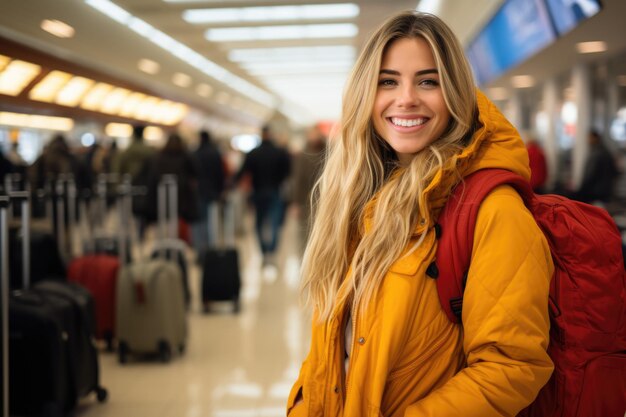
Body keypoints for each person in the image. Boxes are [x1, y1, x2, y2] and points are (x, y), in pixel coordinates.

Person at [287, 11, 554, 417]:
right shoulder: (360, 199)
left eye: (428, 81)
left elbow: (511, 366)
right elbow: (332, 348)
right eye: (387, 81)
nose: (406, 97)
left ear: (455, 93)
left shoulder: (492, 210)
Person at [235, 125, 291, 264]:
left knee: (259, 223)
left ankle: (263, 250)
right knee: (274, 222)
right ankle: (272, 250)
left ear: (261, 134)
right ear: (270, 134)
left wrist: (233, 182)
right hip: (275, 191)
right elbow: (288, 171)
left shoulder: (253, 153)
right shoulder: (279, 152)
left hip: (258, 191)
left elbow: (243, 171)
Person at [291, 126, 327, 249]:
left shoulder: (328, 152)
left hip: (324, 199)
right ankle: (306, 259)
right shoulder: (303, 155)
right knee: (305, 231)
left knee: (322, 232)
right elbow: (298, 179)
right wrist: (296, 202)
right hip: (305, 199)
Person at [191, 130, 226, 252]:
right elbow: (220, 174)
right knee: (209, 220)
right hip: (211, 191)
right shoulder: (215, 153)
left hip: (197, 191)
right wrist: (220, 190)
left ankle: (199, 248)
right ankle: (209, 248)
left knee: (197, 221)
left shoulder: (195, 153)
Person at [575, 129, 619, 205]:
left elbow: (590, 174)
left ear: (595, 138)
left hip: (596, 192)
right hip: (604, 191)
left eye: (589, 138)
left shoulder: (597, 153)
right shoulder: (606, 151)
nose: (588, 140)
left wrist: (581, 190)